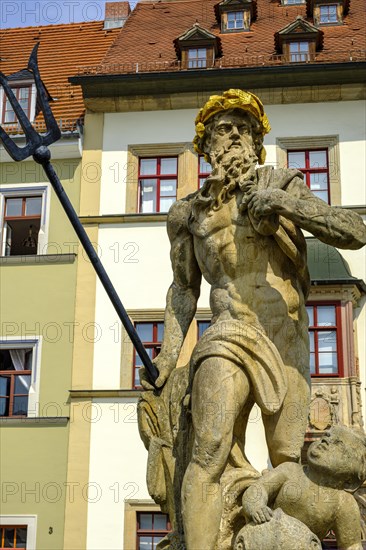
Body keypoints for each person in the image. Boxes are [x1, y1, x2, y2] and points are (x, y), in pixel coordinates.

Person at [143, 89, 366, 549]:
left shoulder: (282, 183)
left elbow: (354, 232)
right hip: (227, 333)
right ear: (206, 144)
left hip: (285, 338)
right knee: (208, 451)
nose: (237, 137)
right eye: (225, 129)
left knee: (288, 459)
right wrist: (168, 355)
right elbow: (184, 290)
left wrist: (284, 206)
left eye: (246, 129)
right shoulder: (188, 213)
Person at [241, 425, 366, 550]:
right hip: (267, 540)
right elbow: (258, 489)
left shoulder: (344, 503)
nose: (326, 440)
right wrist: (256, 505)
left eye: (338, 444)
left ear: (350, 481)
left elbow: (351, 545)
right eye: (326, 436)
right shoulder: (290, 470)